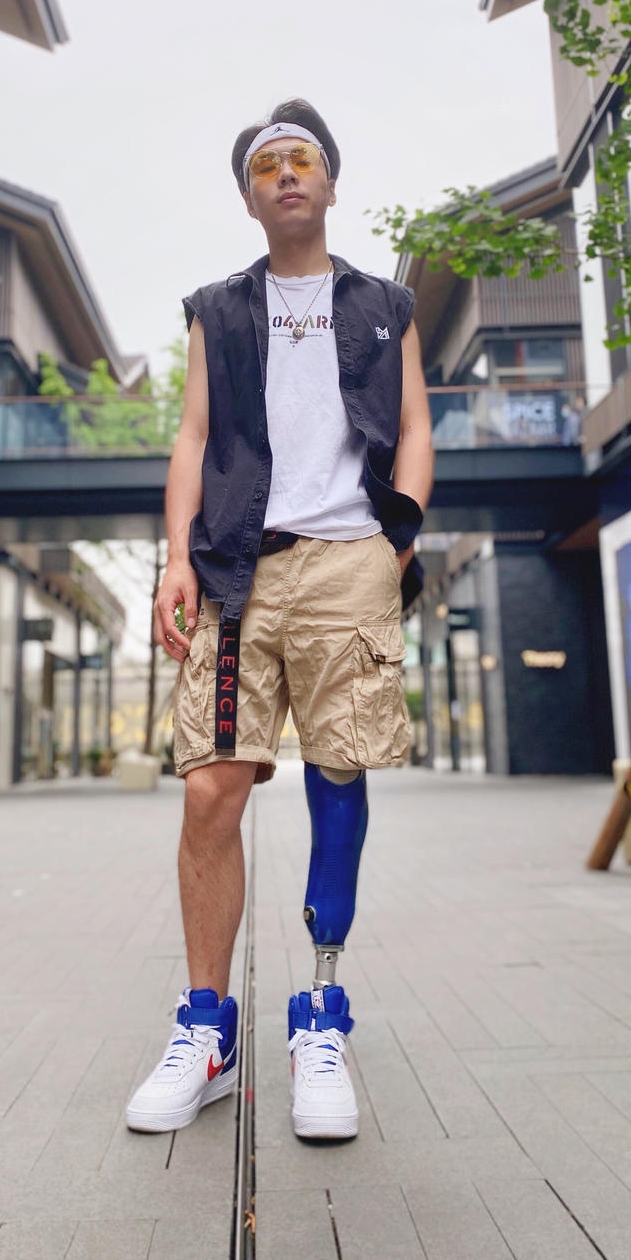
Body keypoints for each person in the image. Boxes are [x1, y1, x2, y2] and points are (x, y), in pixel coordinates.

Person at [125, 99, 432, 1139]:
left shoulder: (386, 303)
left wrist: (396, 543)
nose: (287, 174)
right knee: (211, 786)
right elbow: (192, 436)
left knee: (338, 772)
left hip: (350, 559)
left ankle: (321, 1017)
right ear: (249, 197)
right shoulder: (217, 308)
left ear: (331, 183)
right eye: (267, 166)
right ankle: (206, 1028)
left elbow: (416, 427)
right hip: (235, 564)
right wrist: (176, 556)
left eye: (303, 160)